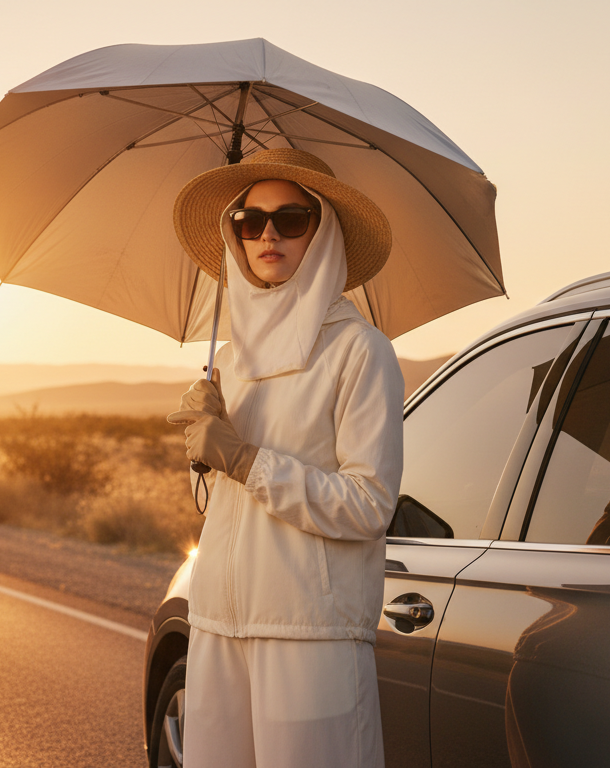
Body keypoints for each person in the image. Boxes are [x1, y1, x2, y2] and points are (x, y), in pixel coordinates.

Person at [167, 148, 404, 768]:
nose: (267, 232)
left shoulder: (360, 351)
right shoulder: (231, 359)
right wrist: (208, 437)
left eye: (291, 219)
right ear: (235, 235)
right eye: (249, 220)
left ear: (321, 232)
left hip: (312, 638)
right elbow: (230, 506)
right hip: (217, 624)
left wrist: (246, 459)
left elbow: (369, 504)